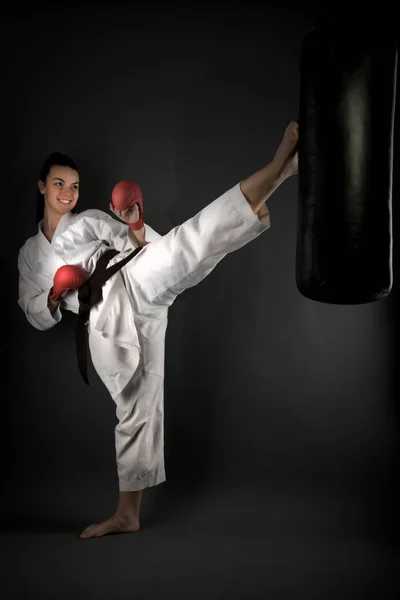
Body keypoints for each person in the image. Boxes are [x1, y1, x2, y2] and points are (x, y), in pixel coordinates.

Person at [17, 121, 299, 539]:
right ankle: (127, 515)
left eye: (75, 187)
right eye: (60, 184)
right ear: (43, 187)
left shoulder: (90, 220)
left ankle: (278, 168)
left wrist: (133, 222)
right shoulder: (29, 254)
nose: (68, 194)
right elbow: (32, 311)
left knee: (190, 242)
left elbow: (137, 246)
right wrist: (55, 295)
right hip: (107, 324)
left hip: (134, 279)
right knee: (135, 412)